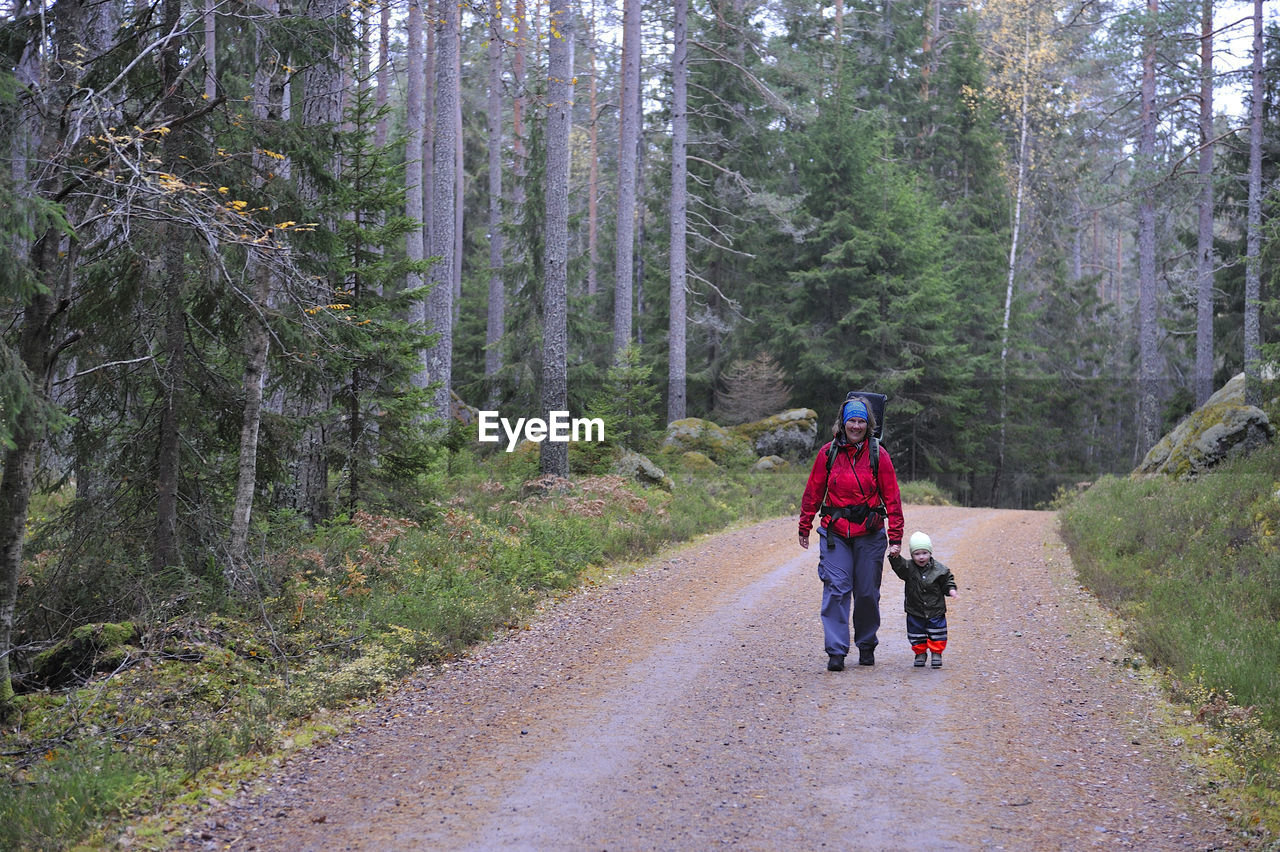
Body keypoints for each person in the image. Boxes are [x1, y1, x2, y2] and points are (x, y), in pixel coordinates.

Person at [798, 396, 904, 671]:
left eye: (861, 421)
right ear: (842, 423)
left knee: (868, 593)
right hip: (835, 533)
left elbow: (892, 498)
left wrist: (895, 537)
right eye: (851, 421)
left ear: (868, 424)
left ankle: (866, 644)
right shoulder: (827, 453)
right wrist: (805, 525)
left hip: (869, 534)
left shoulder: (878, 454)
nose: (856, 426)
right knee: (836, 588)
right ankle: (836, 651)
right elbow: (813, 491)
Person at [887, 531, 958, 669]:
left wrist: (951, 589)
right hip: (915, 609)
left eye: (924, 553)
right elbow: (899, 566)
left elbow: (947, 580)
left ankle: (936, 653)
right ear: (912, 555)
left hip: (935, 609)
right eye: (917, 554)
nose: (921, 557)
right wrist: (894, 556)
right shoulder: (908, 568)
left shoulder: (940, 569)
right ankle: (920, 653)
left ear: (930, 552)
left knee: (937, 633)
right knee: (916, 634)